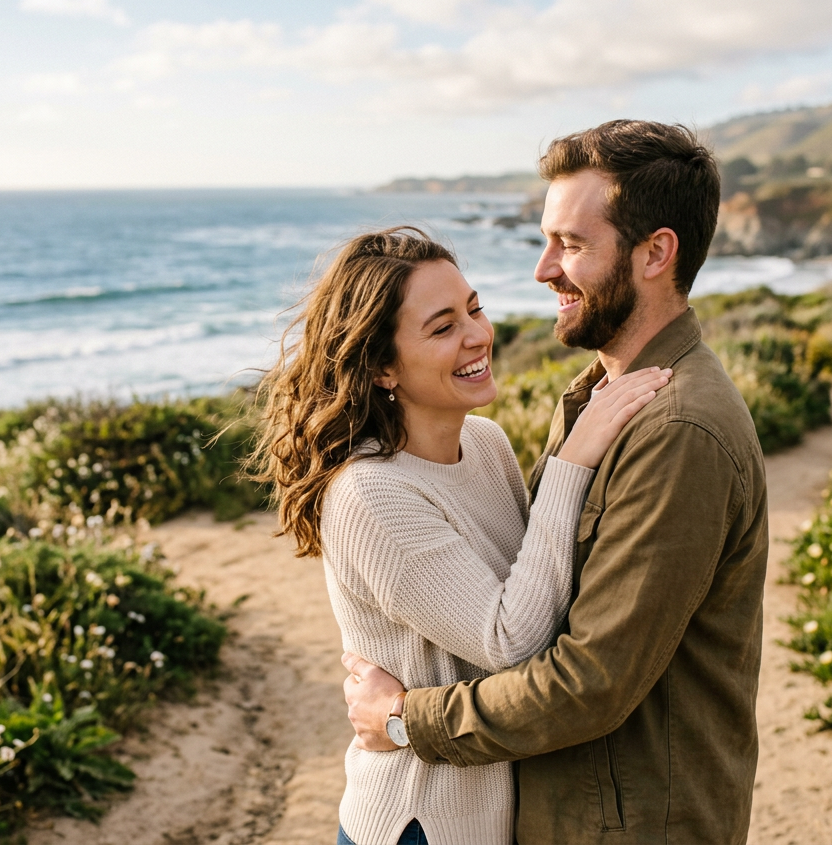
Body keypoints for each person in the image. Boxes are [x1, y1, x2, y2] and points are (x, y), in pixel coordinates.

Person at [341, 121, 769, 845]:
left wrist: (402, 718)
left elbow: (589, 681)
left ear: (655, 254)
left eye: (570, 244)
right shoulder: (598, 399)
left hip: (629, 823)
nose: (543, 270)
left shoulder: (673, 431)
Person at [251, 225, 672, 845]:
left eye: (474, 308)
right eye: (443, 327)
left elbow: (544, 586)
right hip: (422, 823)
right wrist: (572, 462)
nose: (477, 336)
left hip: (494, 814)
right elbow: (513, 640)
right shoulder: (372, 495)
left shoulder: (486, 443)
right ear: (382, 367)